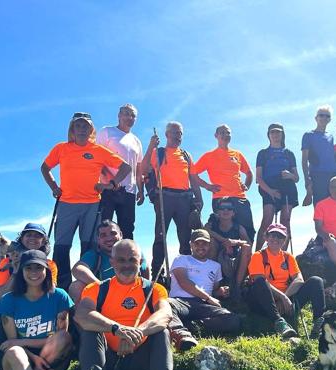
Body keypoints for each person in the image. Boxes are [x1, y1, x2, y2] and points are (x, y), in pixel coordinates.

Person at [74, 239, 175, 370]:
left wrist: (136, 333)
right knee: (89, 332)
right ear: (112, 262)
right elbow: (82, 314)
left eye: (132, 259)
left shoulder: (154, 288)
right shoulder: (96, 288)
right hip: (109, 360)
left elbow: (165, 314)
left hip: (142, 357)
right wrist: (116, 329)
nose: (127, 265)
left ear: (140, 261)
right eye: (121, 260)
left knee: (162, 333)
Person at [40, 112, 131, 290]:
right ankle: (60, 289)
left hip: (92, 205)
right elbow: (45, 167)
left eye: (85, 126)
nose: (81, 129)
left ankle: (87, 286)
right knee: (61, 247)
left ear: (91, 130)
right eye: (78, 126)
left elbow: (125, 167)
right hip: (66, 203)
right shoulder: (62, 148)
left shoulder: (98, 150)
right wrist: (54, 187)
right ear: (72, 129)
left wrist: (111, 184)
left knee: (88, 247)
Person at [0, 250, 74, 370]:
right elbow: (11, 343)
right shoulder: (9, 300)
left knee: (64, 338)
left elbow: (60, 337)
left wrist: (24, 341)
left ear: (46, 270)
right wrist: (32, 356)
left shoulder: (59, 296)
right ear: (21, 271)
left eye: (38, 267)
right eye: (28, 268)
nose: (33, 272)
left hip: (51, 359)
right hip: (20, 363)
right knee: (15, 352)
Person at [0, 223, 59, 370]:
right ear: (21, 239)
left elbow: (51, 291)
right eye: (28, 235)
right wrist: (16, 269)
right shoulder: (6, 263)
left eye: (38, 235)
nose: (33, 238)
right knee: (5, 318)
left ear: (44, 241)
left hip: (40, 307)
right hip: (14, 308)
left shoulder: (50, 264)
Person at [141, 122, 203, 277]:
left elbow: (193, 179)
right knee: (160, 235)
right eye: (174, 132)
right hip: (164, 197)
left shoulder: (186, 155)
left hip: (184, 199)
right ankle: (157, 274)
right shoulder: (158, 152)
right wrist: (151, 146)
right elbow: (144, 168)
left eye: (180, 133)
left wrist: (199, 199)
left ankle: (186, 274)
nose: (177, 136)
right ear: (167, 135)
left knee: (185, 237)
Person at [247, 223, 326, 339]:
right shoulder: (258, 256)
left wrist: (286, 298)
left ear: (284, 240)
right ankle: (279, 322)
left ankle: (318, 325)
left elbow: (299, 280)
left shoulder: (288, 257)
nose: (276, 239)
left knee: (316, 281)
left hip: (287, 302)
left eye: (280, 237)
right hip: (265, 301)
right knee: (260, 283)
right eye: (273, 235)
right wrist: (282, 298)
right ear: (266, 237)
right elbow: (258, 279)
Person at [167, 229, 241, 351]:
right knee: (166, 304)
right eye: (197, 243)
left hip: (203, 304)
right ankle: (181, 335)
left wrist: (220, 292)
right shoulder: (181, 259)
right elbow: (184, 282)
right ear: (191, 244)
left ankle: (191, 327)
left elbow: (213, 291)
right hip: (180, 301)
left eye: (204, 243)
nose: (201, 247)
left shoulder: (215, 266)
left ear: (209, 245)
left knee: (233, 319)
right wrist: (208, 297)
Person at [193, 124, 255, 242]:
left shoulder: (237, 154)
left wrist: (246, 185)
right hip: (220, 198)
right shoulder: (209, 156)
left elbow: (249, 173)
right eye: (222, 133)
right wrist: (207, 186)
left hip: (240, 198)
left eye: (228, 133)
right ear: (216, 136)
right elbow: (192, 174)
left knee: (247, 232)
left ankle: (247, 258)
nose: (226, 135)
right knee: (220, 234)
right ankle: (221, 259)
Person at [68, 220, 150, 304]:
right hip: (104, 298)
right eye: (103, 235)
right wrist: (101, 286)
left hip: (131, 295)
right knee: (76, 286)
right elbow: (78, 268)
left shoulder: (133, 250)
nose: (109, 238)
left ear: (121, 235)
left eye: (113, 233)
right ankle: (81, 316)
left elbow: (144, 267)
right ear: (98, 239)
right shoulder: (94, 255)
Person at [96, 104, 144, 239]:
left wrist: (141, 189)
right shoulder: (107, 131)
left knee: (127, 228)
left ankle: (127, 258)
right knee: (104, 227)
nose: (130, 117)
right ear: (119, 116)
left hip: (129, 190)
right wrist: (110, 180)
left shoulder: (136, 141)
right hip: (108, 188)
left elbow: (138, 167)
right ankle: (100, 258)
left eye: (133, 115)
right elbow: (97, 157)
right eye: (126, 114)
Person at [254, 123, 299, 250]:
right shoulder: (263, 153)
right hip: (268, 187)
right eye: (272, 132)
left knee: (285, 221)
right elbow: (258, 177)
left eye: (278, 132)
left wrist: (290, 175)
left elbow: (296, 178)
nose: (275, 135)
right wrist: (270, 191)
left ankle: (282, 257)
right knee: (267, 220)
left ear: (282, 134)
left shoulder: (289, 153)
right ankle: (257, 255)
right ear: (268, 135)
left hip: (287, 187)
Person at [204, 198, 252, 294]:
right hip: (217, 258)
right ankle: (211, 284)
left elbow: (249, 244)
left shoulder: (239, 227)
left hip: (233, 260)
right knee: (211, 242)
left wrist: (234, 242)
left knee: (246, 248)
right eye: (222, 208)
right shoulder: (212, 225)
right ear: (218, 211)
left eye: (229, 208)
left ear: (233, 212)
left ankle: (237, 288)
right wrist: (224, 241)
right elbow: (205, 233)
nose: (226, 210)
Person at [301, 105, 336, 206]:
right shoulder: (308, 135)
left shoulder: (330, 136)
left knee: (334, 205)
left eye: (327, 116)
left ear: (330, 119)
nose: (324, 118)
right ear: (316, 118)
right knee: (320, 206)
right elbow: (304, 160)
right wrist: (307, 180)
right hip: (318, 175)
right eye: (321, 115)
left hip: (334, 174)